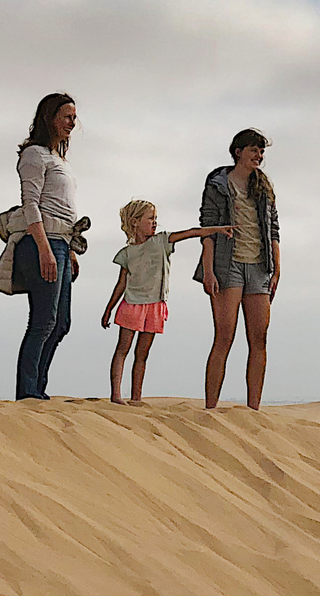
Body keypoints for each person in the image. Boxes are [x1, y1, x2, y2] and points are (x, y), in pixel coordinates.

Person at [100, 200, 230, 404]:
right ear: (135, 222)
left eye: (155, 219)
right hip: (132, 304)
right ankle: (116, 395)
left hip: (155, 305)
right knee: (122, 349)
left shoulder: (162, 241)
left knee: (142, 353)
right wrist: (109, 309)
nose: (154, 223)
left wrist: (217, 230)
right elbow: (121, 284)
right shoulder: (127, 253)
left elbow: (191, 232)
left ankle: (136, 397)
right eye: (150, 218)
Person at [194, 128, 281, 410]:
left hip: (259, 266)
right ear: (238, 151)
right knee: (224, 336)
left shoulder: (264, 186)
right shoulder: (218, 183)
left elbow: (274, 229)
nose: (259, 155)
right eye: (254, 149)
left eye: (261, 151)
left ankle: (254, 409)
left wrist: (277, 268)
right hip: (226, 264)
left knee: (259, 338)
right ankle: (211, 408)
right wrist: (208, 270)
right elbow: (207, 228)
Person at [13, 93, 82, 400]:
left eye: (73, 116)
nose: (72, 122)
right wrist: (44, 248)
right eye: (66, 116)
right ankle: (28, 392)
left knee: (61, 323)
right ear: (49, 118)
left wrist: (68, 250)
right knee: (43, 321)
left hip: (62, 243)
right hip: (43, 242)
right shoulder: (34, 155)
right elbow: (31, 205)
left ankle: (38, 387)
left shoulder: (60, 160)